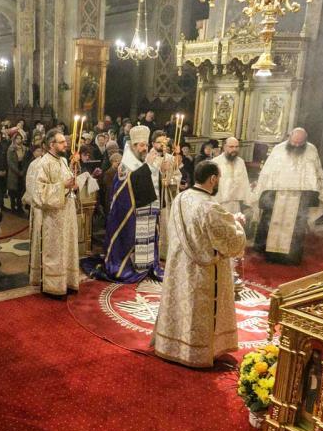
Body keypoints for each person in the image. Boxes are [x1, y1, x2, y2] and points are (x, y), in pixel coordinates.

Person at [153, 159, 246, 366]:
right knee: (196, 309)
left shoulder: (181, 198)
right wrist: (238, 224)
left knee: (179, 304)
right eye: (218, 178)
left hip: (179, 265)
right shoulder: (210, 206)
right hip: (202, 271)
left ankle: (170, 344)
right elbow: (229, 239)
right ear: (213, 179)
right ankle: (196, 353)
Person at [253, 128, 323, 264]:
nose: (296, 146)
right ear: (289, 138)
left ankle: (291, 258)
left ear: (305, 140)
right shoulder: (278, 149)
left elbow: (316, 174)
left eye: (300, 143)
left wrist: (311, 194)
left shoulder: (311, 151)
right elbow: (267, 173)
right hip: (276, 195)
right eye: (294, 143)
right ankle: (270, 255)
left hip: (300, 196)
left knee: (296, 226)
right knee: (271, 223)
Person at [98, 125, 163, 282]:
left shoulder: (145, 162)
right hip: (129, 214)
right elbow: (127, 188)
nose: (144, 149)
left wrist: (157, 171)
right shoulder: (125, 165)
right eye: (141, 145)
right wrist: (148, 167)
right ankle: (128, 265)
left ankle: (146, 265)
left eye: (146, 145)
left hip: (146, 212)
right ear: (133, 146)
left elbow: (152, 184)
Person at [28, 132, 80, 296]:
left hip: (67, 215)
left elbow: (68, 182)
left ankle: (68, 282)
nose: (66, 145)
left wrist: (73, 184)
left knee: (68, 248)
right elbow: (39, 195)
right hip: (53, 218)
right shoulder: (43, 164)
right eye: (62, 142)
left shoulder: (63, 161)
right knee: (55, 251)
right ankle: (53, 287)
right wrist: (63, 186)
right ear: (51, 144)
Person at [215, 137, 252, 216]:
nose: (234, 149)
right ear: (225, 147)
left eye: (236, 147)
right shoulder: (215, 162)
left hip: (235, 203)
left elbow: (245, 181)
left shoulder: (240, 162)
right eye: (231, 147)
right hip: (220, 203)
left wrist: (247, 203)